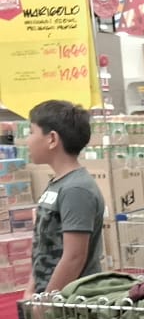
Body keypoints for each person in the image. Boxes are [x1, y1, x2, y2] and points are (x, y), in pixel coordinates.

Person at [26, 100, 104, 296]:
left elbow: (74, 257)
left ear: (52, 139)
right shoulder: (59, 183)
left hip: (72, 306)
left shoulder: (76, 189)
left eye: (31, 132)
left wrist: (45, 304)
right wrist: (31, 292)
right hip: (52, 300)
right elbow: (42, 247)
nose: (27, 140)